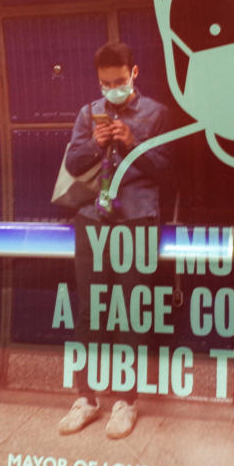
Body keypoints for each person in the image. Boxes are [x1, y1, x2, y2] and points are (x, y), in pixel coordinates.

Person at [57, 41, 171, 439]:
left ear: (134, 73)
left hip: (137, 219)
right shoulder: (88, 113)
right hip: (92, 219)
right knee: (89, 308)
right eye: (106, 83)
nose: (113, 89)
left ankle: (126, 400)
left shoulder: (157, 115)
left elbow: (169, 170)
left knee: (131, 310)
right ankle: (86, 398)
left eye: (119, 81)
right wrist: (96, 143)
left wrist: (132, 142)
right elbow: (72, 163)